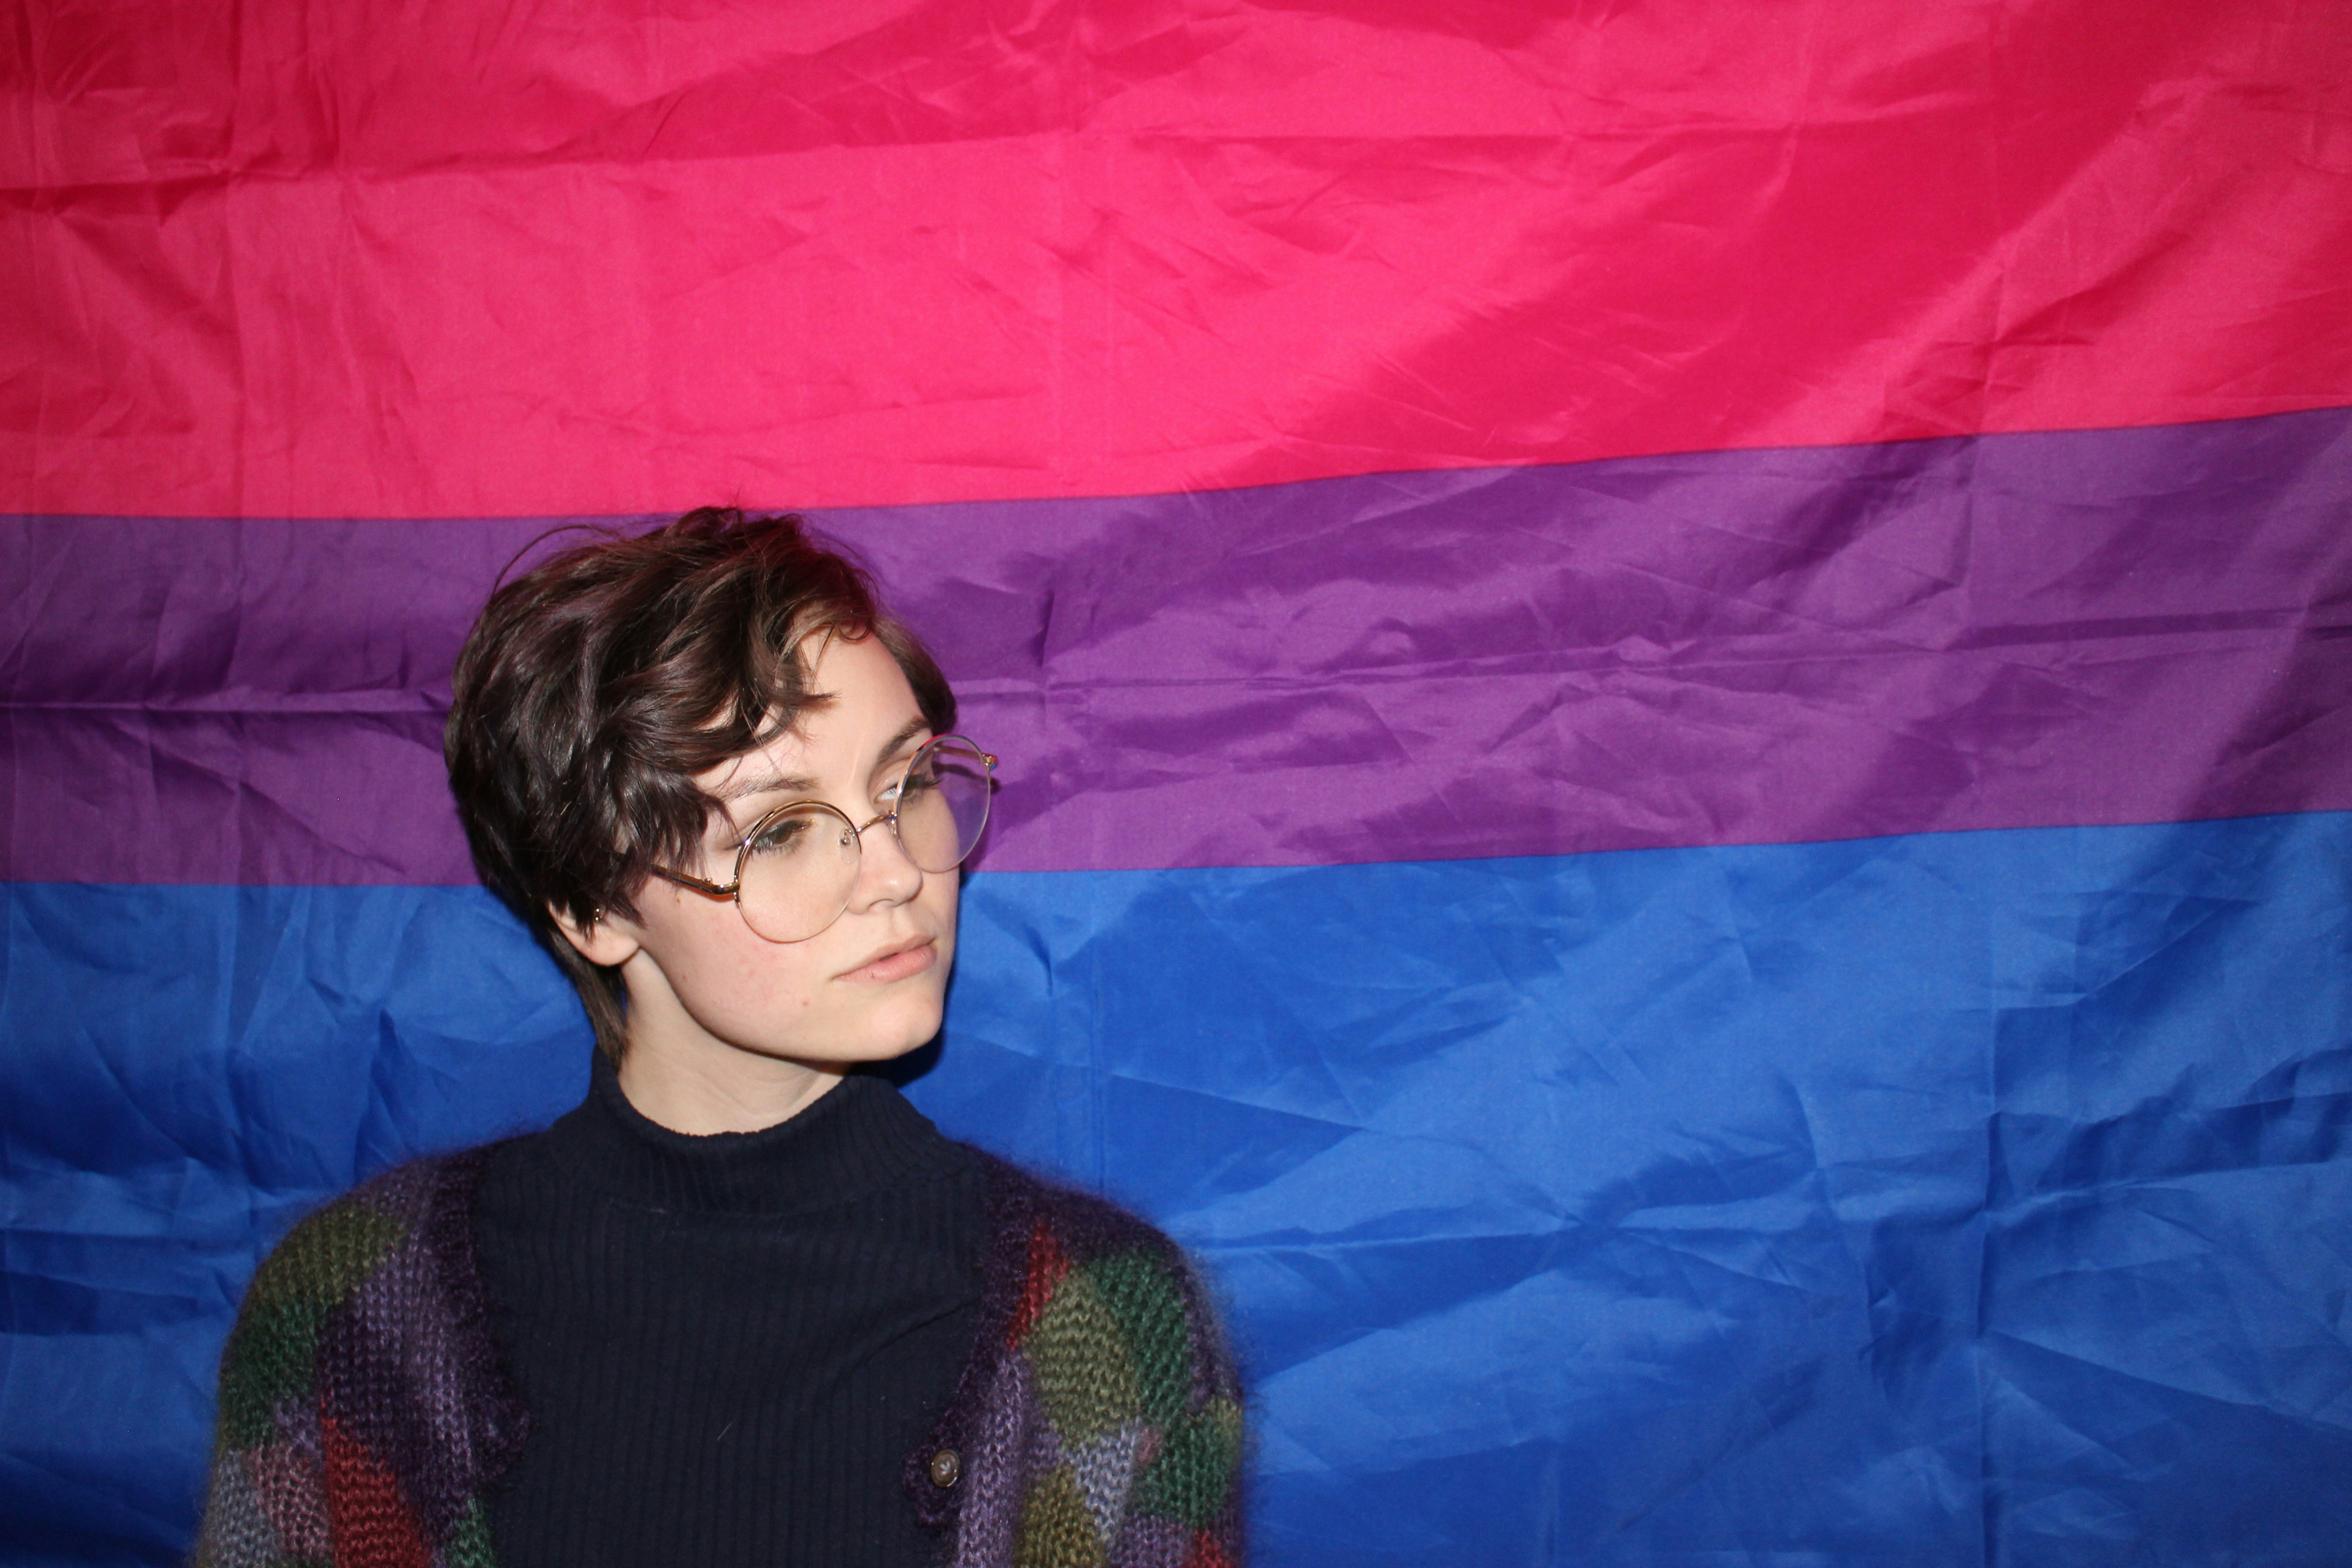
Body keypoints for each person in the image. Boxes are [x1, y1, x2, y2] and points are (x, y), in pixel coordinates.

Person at [190, 509, 1245, 1568]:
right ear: (592, 905)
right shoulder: (352, 1314)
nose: (898, 873)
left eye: (909, 783)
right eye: (783, 829)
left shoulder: (1105, 1322)